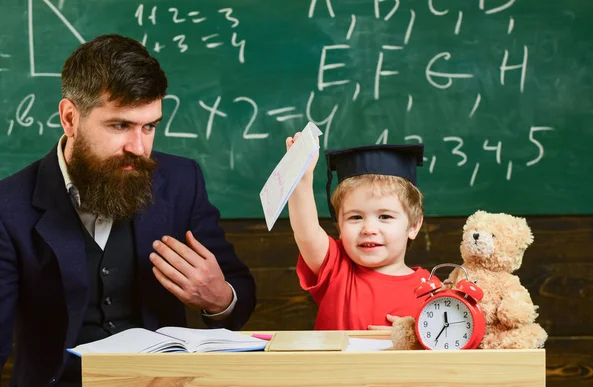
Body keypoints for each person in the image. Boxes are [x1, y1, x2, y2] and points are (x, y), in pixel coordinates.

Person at [0, 34, 256, 386]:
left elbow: (238, 296)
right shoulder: (7, 206)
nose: (139, 147)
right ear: (70, 118)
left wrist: (219, 298)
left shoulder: (183, 181)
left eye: (149, 126)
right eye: (120, 125)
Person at [286, 133, 433, 330]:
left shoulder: (431, 290)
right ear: (339, 225)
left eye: (385, 217)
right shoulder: (336, 267)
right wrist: (301, 178)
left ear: (414, 225)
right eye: (355, 217)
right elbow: (306, 232)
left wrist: (410, 338)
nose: (369, 229)